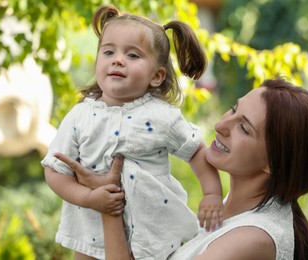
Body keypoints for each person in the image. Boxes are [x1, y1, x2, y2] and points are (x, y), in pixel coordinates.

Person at [56, 78, 308, 259]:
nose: (222, 126)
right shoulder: (229, 211)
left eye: (243, 128)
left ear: (274, 162)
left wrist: (107, 202)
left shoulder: (252, 239)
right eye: (233, 109)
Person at [41, 5, 224, 260]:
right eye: (108, 52)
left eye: (133, 55)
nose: (118, 59)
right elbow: (55, 169)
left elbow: (196, 152)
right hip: (90, 233)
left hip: (154, 233)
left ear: (157, 76)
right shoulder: (79, 116)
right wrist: (90, 197)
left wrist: (212, 193)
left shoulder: (162, 115)